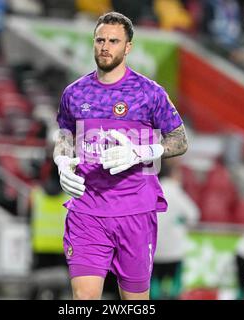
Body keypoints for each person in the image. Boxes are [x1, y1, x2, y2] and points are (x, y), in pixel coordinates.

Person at [53, 12, 188, 300]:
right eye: (100, 40)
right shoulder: (74, 93)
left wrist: (142, 152)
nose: (105, 46)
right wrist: (62, 162)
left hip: (135, 211)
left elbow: (179, 140)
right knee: (83, 299)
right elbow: (64, 137)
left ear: (128, 47)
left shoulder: (150, 93)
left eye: (114, 41)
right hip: (87, 210)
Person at [151, 158, 199, 299]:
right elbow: (193, 215)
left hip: (153, 250)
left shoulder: (152, 189)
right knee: (174, 290)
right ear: (173, 174)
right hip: (172, 252)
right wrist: (179, 220)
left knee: (152, 289)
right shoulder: (175, 192)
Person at [29, 160, 70, 299]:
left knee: (36, 287)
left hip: (40, 247)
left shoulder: (36, 193)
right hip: (62, 249)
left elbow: (28, 219)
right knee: (61, 289)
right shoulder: (70, 195)